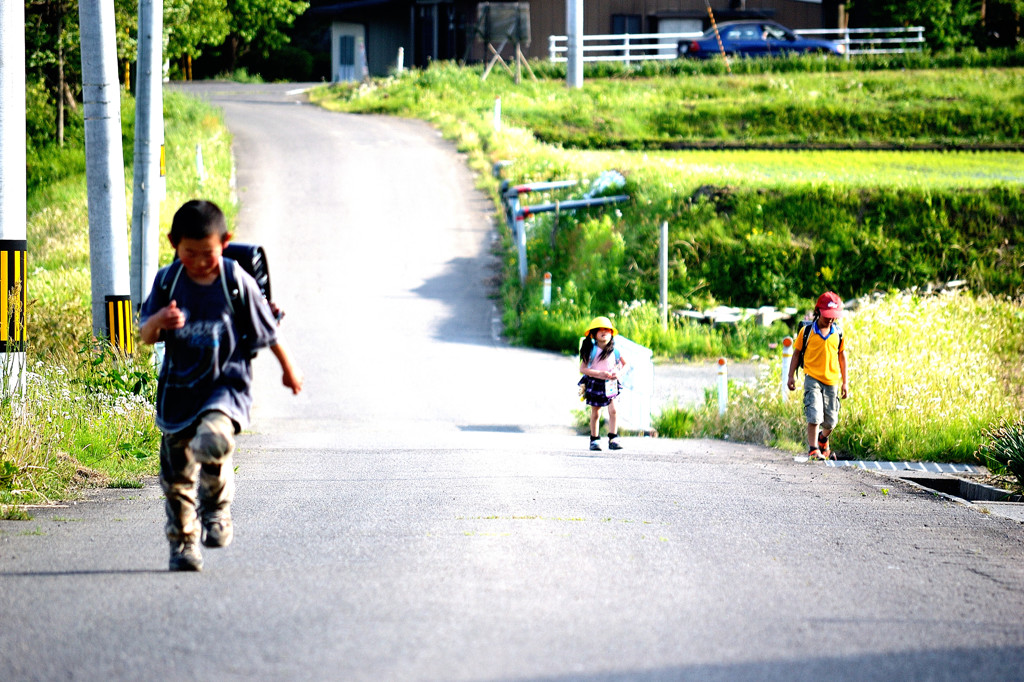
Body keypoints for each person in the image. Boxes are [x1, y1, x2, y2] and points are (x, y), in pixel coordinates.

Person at [140, 200, 303, 572]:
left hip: (224, 389)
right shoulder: (168, 281)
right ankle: (183, 545)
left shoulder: (235, 280)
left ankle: (216, 510)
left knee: (212, 442)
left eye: (208, 253)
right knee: (177, 480)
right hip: (179, 392)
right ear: (173, 244)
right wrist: (160, 320)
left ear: (225, 242)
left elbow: (269, 331)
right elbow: (145, 334)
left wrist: (288, 370)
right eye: (189, 253)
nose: (198, 261)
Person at [787, 291, 849, 460]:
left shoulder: (838, 333)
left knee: (831, 421)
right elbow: (796, 354)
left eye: (833, 316)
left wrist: (845, 383)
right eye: (827, 315)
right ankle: (813, 449)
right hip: (812, 378)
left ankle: (823, 438)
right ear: (818, 311)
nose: (830, 319)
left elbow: (842, 357)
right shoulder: (807, 332)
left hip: (831, 381)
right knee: (814, 415)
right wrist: (790, 376)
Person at [579, 316, 629, 452]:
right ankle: (594, 439)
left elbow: (626, 365)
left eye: (607, 330)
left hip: (611, 383)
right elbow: (582, 369)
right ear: (593, 334)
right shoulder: (591, 350)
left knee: (614, 409)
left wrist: (619, 374)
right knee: (596, 412)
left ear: (611, 333)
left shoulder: (616, 350)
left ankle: (613, 437)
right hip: (595, 383)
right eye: (600, 330)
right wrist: (598, 374)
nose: (604, 332)